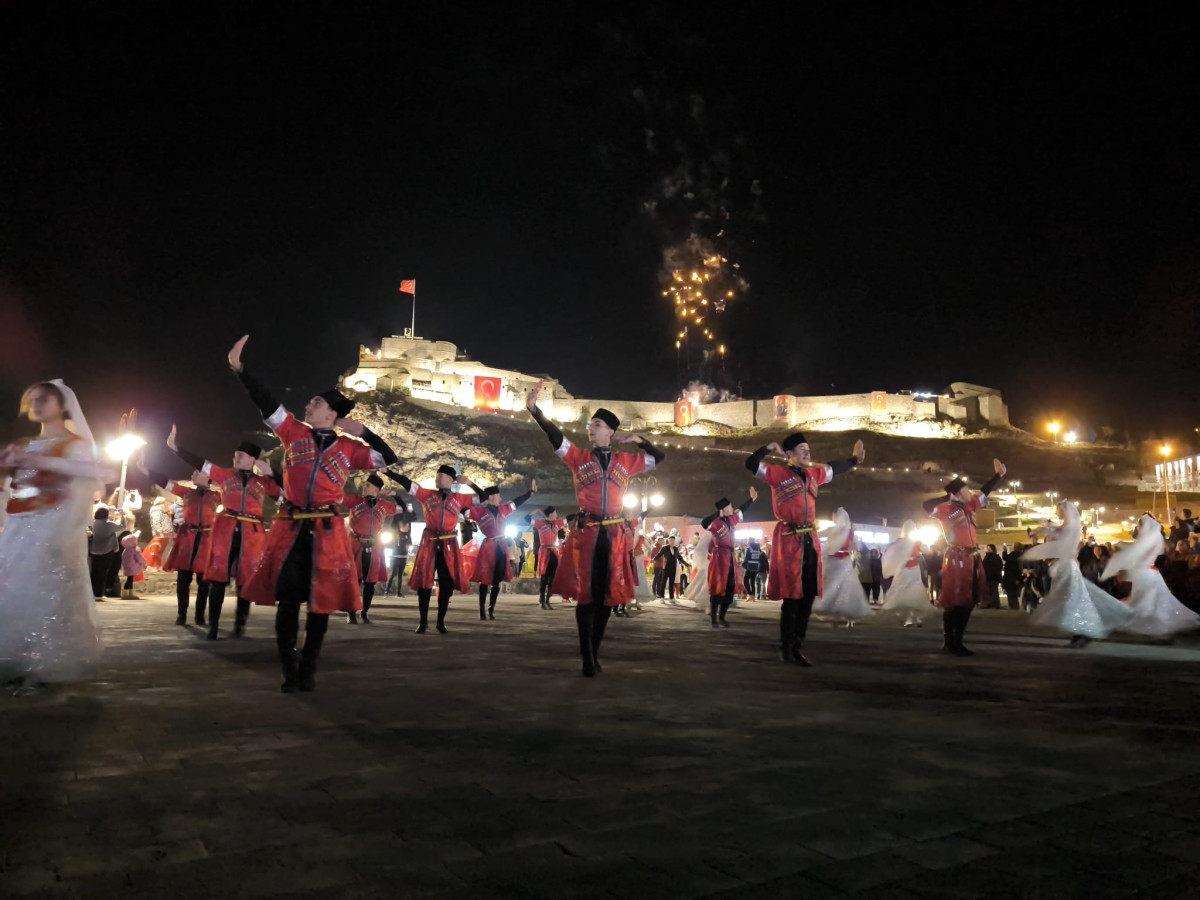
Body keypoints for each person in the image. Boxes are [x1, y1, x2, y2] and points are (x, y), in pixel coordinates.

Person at [228, 334, 398, 693]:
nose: (308, 405)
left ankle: (309, 668)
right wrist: (241, 370)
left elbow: (387, 459)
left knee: (320, 605)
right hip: (290, 528)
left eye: (316, 402)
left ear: (332, 414)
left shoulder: (350, 448)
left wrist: (365, 431)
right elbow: (268, 403)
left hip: (328, 529)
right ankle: (289, 668)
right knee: (288, 601)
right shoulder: (294, 432)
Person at [527, 381, 665, 676]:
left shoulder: (625, 461)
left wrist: (639, 439)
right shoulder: (579, 457)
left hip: (614, 536)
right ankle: (587, 658)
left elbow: (658, 458)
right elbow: (556, 438)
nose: (591, 428)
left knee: (607, 597)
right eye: (591, 424)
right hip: (587, 532)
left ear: (610, 432)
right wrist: (535, 411)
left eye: (598, 424)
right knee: (587, 595)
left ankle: (595, 651)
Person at [0, 380, 109, 694]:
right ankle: (14, 663)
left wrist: (63, 535)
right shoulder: (23, 445)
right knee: (12, 595)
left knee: (42, 598)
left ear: (62, 405)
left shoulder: (74, 445)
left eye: (44, 398)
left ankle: (38, 668)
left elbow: (85, 482)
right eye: (32, 399)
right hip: (18, 528)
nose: (36, 404)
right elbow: (11, 489)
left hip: (50, 528)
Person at [746, 433, 865, 666]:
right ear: (789, 454)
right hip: (790, 540)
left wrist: (853, 460)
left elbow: (832, 468)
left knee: (808, 594)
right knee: (792, 597)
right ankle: (786, 648)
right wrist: (768, 447)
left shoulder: (812, 475)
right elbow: (751, 464)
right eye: (802, 448)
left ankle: (798, 645)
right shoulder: (777, 474)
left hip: (810, 539)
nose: (807, 452)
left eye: (808, 448)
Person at [167, 427, 281, 639]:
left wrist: (272, 472)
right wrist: (177, 449)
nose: (234, 458)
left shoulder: (264, 483)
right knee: (219, 579)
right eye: (235, 455)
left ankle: (240, 625)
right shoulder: (226, 475)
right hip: (226, 531)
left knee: (246, 580)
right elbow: (202, 463)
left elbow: (288, 492)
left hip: (253, 533)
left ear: (253, 460)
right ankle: (213, 626)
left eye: (240, 455)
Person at [922, 460, 1007, 656]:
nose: (971, 493)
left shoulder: (970, 506)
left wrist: (997, 476)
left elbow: (985, 492)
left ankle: (957, 640)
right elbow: (926, 505)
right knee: (955, 600)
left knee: (969, 601)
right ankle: (949, 641)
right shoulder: (946, 509)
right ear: (958, 493)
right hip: (956, 558)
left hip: (972, 558)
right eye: (967, 490)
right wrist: (947, 495)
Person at [1024, 501, 1134, 648]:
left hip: (1068, 567)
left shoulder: (1069, 528)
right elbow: (1055, 532)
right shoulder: (1067, 527)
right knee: (1072, 600)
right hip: (1067, 566)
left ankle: (1082, 632)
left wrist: (1043, 533)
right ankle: (1079, 633)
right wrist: (1042, 531)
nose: (1057, 513)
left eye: (1058, 510)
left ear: (1064, 511)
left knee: (1072, 601)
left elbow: (1058, 537)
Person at [385, 465, 477, 634]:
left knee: (447, 585)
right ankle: (423, 622)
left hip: (449, 543)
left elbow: (485, 498)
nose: (436, 479)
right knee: (424, 583)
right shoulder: (426, 495)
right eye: (436, 476)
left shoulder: (461, 498)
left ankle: (440, 622)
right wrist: (388, 472)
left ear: (450, 480)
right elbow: (408, 484)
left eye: (440, 476)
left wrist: (470, 483)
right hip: (430, 542)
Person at [138, 457, 220, 627]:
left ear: (207, 476)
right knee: (183, 579)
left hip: (206, 540)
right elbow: (166, 483)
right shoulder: (186, 492)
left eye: (197, 473)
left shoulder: (217, 495)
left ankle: (199, 616)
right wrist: (146, 470)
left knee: (204, 582)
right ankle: (181, 614)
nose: (193, 474)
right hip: (187, 539)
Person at [1104, 514, 1200, 640]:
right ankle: (1151, 618)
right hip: (1152, 572)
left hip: (1145, 573)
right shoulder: (1155, 538)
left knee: (1144, 599)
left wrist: (1122, 546)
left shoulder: (1148, 540)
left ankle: (1146, 621)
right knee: (1152, 600)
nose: (1138, 528)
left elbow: (1136, 552)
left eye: (1139, 526)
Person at [467, 479, 535, 620]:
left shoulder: (503, 509)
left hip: (501, 546)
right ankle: (481, 610)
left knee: (497, 579)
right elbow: (464, 511)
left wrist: (530, 493)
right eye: (499, 496)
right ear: (491, 497)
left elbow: (517, 502)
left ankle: (491, 608)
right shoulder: (479, 511)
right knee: (485, 580)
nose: (501, 498)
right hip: (488, 546)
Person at [344, 474, 399, 625]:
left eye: (367, 485)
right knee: (355, 580)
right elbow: (336, 496)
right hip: (356, 544)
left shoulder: (383, 504)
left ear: (376, 489)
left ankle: (365, 612)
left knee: (370, 582)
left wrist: (390, 494)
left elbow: (404, 509)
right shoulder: (355, 501)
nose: (364, 487)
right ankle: (351, 613)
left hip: (374, 545)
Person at [700, 489, 757, 627]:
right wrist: (716, 514)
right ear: (724, 509)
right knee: (717, 589)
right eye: (730, 506)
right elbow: (704, 523)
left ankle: (722, 617)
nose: (733, 508)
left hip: (730, 558)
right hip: (719, 558)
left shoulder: (732, 519)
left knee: (730, 590)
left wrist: (751, 500)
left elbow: (742, 510)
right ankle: (714, 618)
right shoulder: (715, 523)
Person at [813, 508, 873, 627]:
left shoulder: (832, 529)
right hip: (845, 561)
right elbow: (857, 546)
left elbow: (817, 534)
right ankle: (849, 620)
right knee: (847, 587)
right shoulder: (850, 532)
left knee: (833, 586)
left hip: (833, 561)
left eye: (834, 516)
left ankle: (835, 618)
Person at [881, 521, 931, 626]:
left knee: (905, 591)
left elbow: (891, 551)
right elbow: (927, 550)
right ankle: (912, 617)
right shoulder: (915, 542)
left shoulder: (902, 542)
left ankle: (909, 617)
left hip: (904, 569)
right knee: (914, 591)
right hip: (912, 569)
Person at [526, 506, 562, 609]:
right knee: (544, 577)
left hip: (554, 552)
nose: (556, 514)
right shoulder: (540, 523)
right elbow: (526, 519)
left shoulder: (557, 523)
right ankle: (541, 601)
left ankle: (547, 600)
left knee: (552, 578)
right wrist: (535, 511)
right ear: (550, 514)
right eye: (555, 513)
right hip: (544, 551)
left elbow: (568, 518)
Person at [87, 507, 123, 600]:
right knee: (102, 574)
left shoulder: (91, 524)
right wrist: (121, 516)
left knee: (93, 572)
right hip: (106, 552)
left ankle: (91, 593)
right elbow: (122, 527)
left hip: (93, 551)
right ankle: (99, 594)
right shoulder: (109, 525)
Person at [383, 516, 412, 597]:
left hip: (403, 557)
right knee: (392, 574)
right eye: (405, 526)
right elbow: (388, 543)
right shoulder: (395, 534)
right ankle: (386, 592)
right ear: (400, 526)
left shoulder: (408, 535)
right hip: (394, 557)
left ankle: (398, 592)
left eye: (408, 526)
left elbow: (410, 544)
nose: (407, 527)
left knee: (400, 575)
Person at [652, 534, 687, 601]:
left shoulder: (676, 549)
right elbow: (659, 554)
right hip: (666, 568)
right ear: (668, 541)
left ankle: (671, 597)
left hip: (673, 568)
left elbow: (680, 557)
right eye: (671, 540)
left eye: (673, 540)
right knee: (663, 582)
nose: (672, 542)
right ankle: (662, 597)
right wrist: (654, 559)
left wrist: (686, 564)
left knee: (672, 582)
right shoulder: (665, 548)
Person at [144, 496, 175, 569]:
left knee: (163, 551)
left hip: (166, 533)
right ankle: (154, 565)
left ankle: (161, 565)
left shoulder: (163, 511)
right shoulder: (157, 511)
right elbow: (156, 523)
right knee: (158, 551)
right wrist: (160, 532)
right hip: (162, 534)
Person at [120, 533, 146, 598]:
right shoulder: (135, 550)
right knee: (130, 580)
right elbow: (139, 558)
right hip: (133, 567)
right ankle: (129, 594)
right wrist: (143, 563)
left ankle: (126, 593)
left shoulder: (125, 551)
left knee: (129, 579)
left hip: (127, 568)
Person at [1001, 542, 1024, 610]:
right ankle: (1015, 607)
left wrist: (1004, 550)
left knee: (1010, 594)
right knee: (1013, 594)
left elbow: (1006, 558)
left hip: (1010, 577)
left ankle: (1014, 607)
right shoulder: (1021, 555)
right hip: (1016, 577)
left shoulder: (1013, 554)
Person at [982, 544, 1004, 609]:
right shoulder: (996, 557)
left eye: (987, 548)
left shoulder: (989, 557)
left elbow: (985, 566)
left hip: (990, 576)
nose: (986, 549)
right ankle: (994, 604)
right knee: (993, 590)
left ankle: (993, 604)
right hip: (994, 576)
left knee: (992, 590)